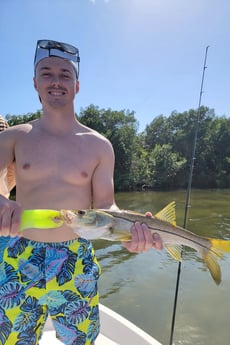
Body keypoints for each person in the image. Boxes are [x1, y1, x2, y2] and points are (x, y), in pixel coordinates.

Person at [0, 40, 163, 345]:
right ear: (35, 83)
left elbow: (105, 206)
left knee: (81, 341)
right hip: (17, 253)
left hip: (75, 256)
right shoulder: (13, 137)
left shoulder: (100, 145)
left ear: (76, 86)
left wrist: (132, 233)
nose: (56, 81)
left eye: (65, 74)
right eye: (46, 73)